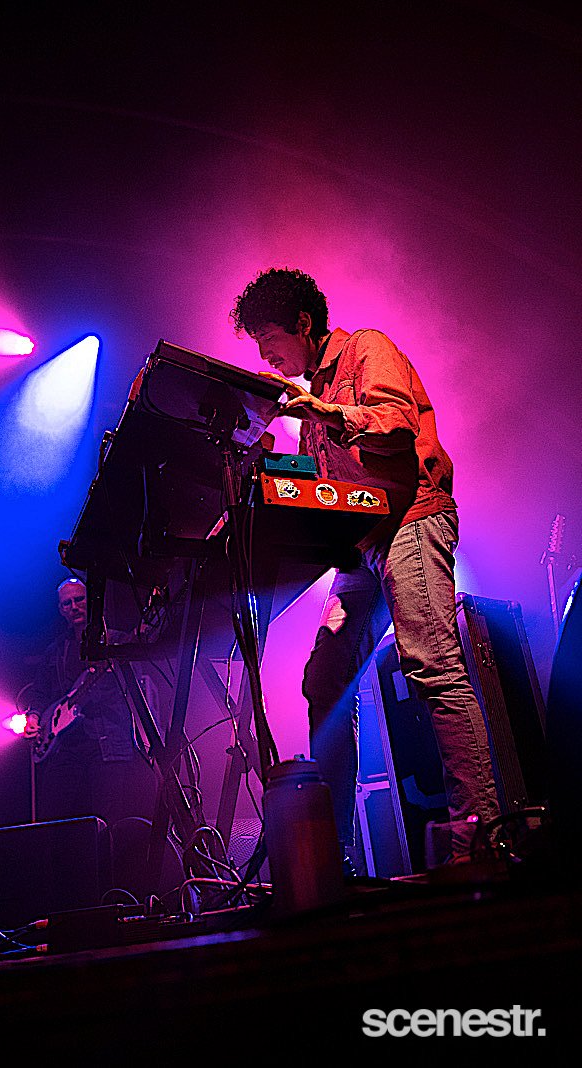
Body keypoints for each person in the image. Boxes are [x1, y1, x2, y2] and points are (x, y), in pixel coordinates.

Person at [230, 267, 501, 870]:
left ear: (304, 323)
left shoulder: (365, 349)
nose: (266, 355)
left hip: (412, 519)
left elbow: (396, 426)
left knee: (432, 665)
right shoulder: (311, 402)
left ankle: (480, 840)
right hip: (364, 548)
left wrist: (325, 412)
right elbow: (319, 487)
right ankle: (336, 856)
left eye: (270, 338)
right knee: (324, 680)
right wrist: (256, 453)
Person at [23, 577, 157, 829]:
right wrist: (34, 717)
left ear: (91, 601)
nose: (73, 606)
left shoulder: (116, 641)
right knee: (51, 818)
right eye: (67, 603)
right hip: (65, 746)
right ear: (60, 609)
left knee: (107, 821)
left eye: (79, 599)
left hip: (107, 743)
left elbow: (142, 642)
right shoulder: (56, 650)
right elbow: (40, 691)